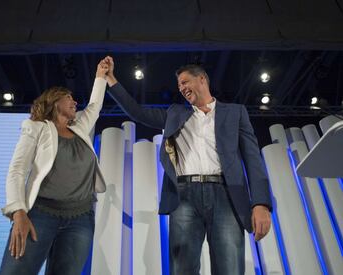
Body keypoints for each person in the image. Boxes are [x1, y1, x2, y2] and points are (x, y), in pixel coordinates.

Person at [103, 56, 272, 275]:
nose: (181, 88)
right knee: (181, 268)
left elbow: (252, 159)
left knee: (230, 268)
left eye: (185, 82)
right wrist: (111, 80)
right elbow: (138, 112)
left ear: (202, 79)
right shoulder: (175, 114)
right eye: (179, 85)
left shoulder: (236, 112)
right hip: (184, 197)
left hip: (226, 196)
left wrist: (261, 203)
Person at [0, 59, 109, 275]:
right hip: (40, 214)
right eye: (69, 98)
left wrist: (100, 75)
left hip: (80, 219)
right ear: (54, 102)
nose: (75, 102)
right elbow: (17, 170)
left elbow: (94, 106)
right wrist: (18, 211)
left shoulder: (80, 127)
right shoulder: (37, 128)